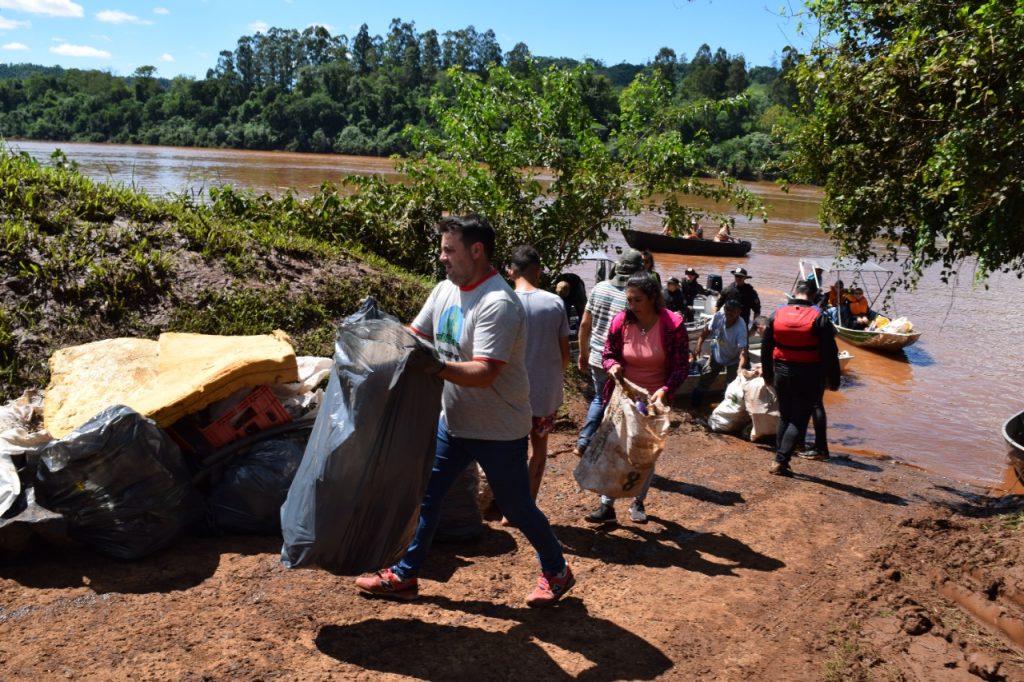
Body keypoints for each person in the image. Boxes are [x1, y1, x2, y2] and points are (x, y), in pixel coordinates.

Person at [355, 215, 574, 607]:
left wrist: (435, 367)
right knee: (428, 495)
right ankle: (405, 576)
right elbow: (414, 335)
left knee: (517, 508)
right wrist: (374, 335)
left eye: (448, 250)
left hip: (498, 428)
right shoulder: (443, 291)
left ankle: (557, 570)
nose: (442, 257)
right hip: (453, 421)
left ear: (477, 251)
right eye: (442, 249)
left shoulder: (498, 303)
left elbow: (485, 372)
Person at [585, 272, 689, 524]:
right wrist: (611, 365)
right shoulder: (621, 321)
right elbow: (608, 353)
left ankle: (637, 502)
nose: (631, 305)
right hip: (623, 397)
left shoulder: (672, 325)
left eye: (637, 300)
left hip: (655, 401)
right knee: (614, 450)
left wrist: (665, 390)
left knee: (644, 455)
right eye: (629, 300)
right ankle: (606, 505)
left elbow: (680, 367)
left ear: (653, 298)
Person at [507, 245, 571, 505]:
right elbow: (565, 354)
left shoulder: (502, 301)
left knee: (510, 451)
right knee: (539, 450)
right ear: (539, 272)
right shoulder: (554, 302)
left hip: (509, 394)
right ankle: (526, 506)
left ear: (511, 273)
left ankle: (507, 508)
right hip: (544, 393)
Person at [760, 281, 841, 477]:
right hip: (807, 373)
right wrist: (834, 379)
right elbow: (830, 352)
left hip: (780, 372)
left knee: (785, 416)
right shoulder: (819, 317)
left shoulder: (777, 314)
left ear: (795, 292)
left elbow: (765, 346)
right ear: (813, 295)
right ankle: (780, 460)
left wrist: (767, 374)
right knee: (799, 419)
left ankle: (781, 460)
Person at [574, 249, 643, 457]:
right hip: (619, 362)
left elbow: (585, 324)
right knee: (619, 405)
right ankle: (610, 450)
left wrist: (583, 353)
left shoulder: (599, 288)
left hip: (596, 356)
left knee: (599, 398)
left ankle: (584, 443)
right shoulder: (635, 297)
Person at [691, 299, 749, 409]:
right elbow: (705, 332)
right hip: (717, 354)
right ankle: (694, 408)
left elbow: (743, 351)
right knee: (704, 379)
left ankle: (725, 408)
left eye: (733, 311)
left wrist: (740, 367)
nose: (729, 313)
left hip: (734, 359)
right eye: (727, 309)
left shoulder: (741, 327)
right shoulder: (719, 316)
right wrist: (698, 345)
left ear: (739, 312)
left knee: (731, 387)